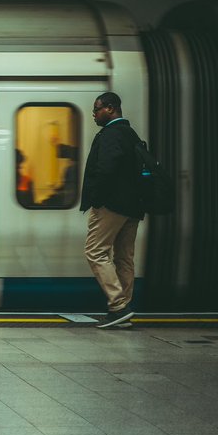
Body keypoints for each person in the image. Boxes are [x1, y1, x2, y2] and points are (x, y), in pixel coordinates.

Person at [81, 92, 143, 329]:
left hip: (113, 205)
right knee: (124, 257)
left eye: (96, 110)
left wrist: (96, 199)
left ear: (110, 108)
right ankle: (122, 310)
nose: (94, 115)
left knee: (95, 251)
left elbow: (106, 170)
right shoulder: (130, 133)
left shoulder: (111, 135)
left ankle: (117, 306)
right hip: (132, 207)